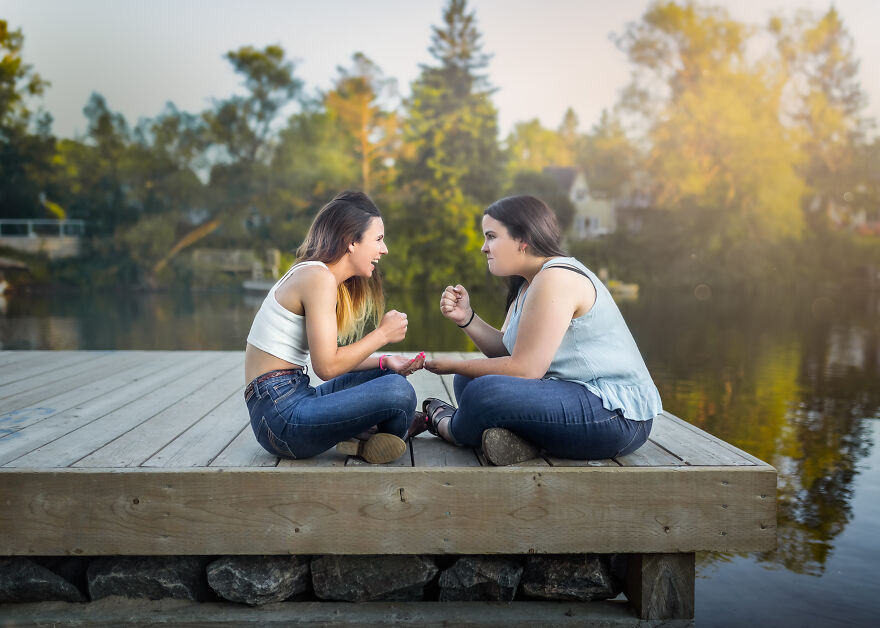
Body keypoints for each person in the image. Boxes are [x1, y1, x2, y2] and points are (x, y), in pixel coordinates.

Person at [413, 195, 662, 465]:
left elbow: (525, 369)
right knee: (468, 381)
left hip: (616, 416)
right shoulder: (528, 284)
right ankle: (522, 443)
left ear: (523, 239)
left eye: (491, 236)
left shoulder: (556, 278)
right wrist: (467, 318)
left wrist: (453, 364)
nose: (484, 247)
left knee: (481, 392)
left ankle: (447, 426)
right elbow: (506, 352)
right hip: (575, 396)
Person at [244, 191, 424, 464]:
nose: (384, 249)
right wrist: (382, 335)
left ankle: (365, 438)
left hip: (294, 396)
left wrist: (385, 361)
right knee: (399, 392)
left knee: (389, 375)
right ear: (351, 241)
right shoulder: (318, 277)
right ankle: (387, 431)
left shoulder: (317, 275)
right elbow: (327, 367)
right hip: (279, 417)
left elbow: (331, 357)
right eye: (378, 239)